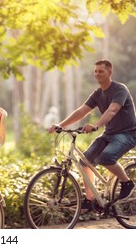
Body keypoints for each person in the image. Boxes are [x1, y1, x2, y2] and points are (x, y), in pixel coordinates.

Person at [49, 60, 136, 210]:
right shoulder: (98, 93)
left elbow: (112, 110)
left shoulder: (119, 89)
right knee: (84, 163)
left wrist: (96, 125)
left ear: (110, 72)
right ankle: (90, 200)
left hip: (127, 134)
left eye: (101, 71)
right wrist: (61, 125)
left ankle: (127, 183)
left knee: (106, 157)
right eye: (95, 71)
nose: (97, 74)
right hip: (109, 134)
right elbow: (82, 111)